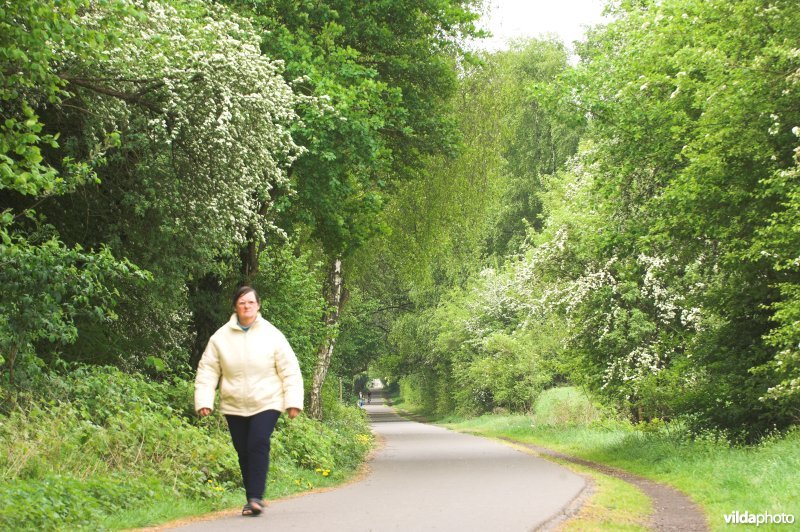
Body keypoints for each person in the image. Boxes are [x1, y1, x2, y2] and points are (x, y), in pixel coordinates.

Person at [195, 286, 304, 517]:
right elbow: (208, 370)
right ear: (235, 307)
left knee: (258, 442)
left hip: (267, 400)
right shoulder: (220, 338)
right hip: (234, 403)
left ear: (258, 305)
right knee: (243, 450)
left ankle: (255, 497)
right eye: (242, 303)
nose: (247, 307)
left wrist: (293, 401)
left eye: (251, 302)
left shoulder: (272, 335)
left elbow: (290, 369)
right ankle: (251, 499)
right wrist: (204, 400)